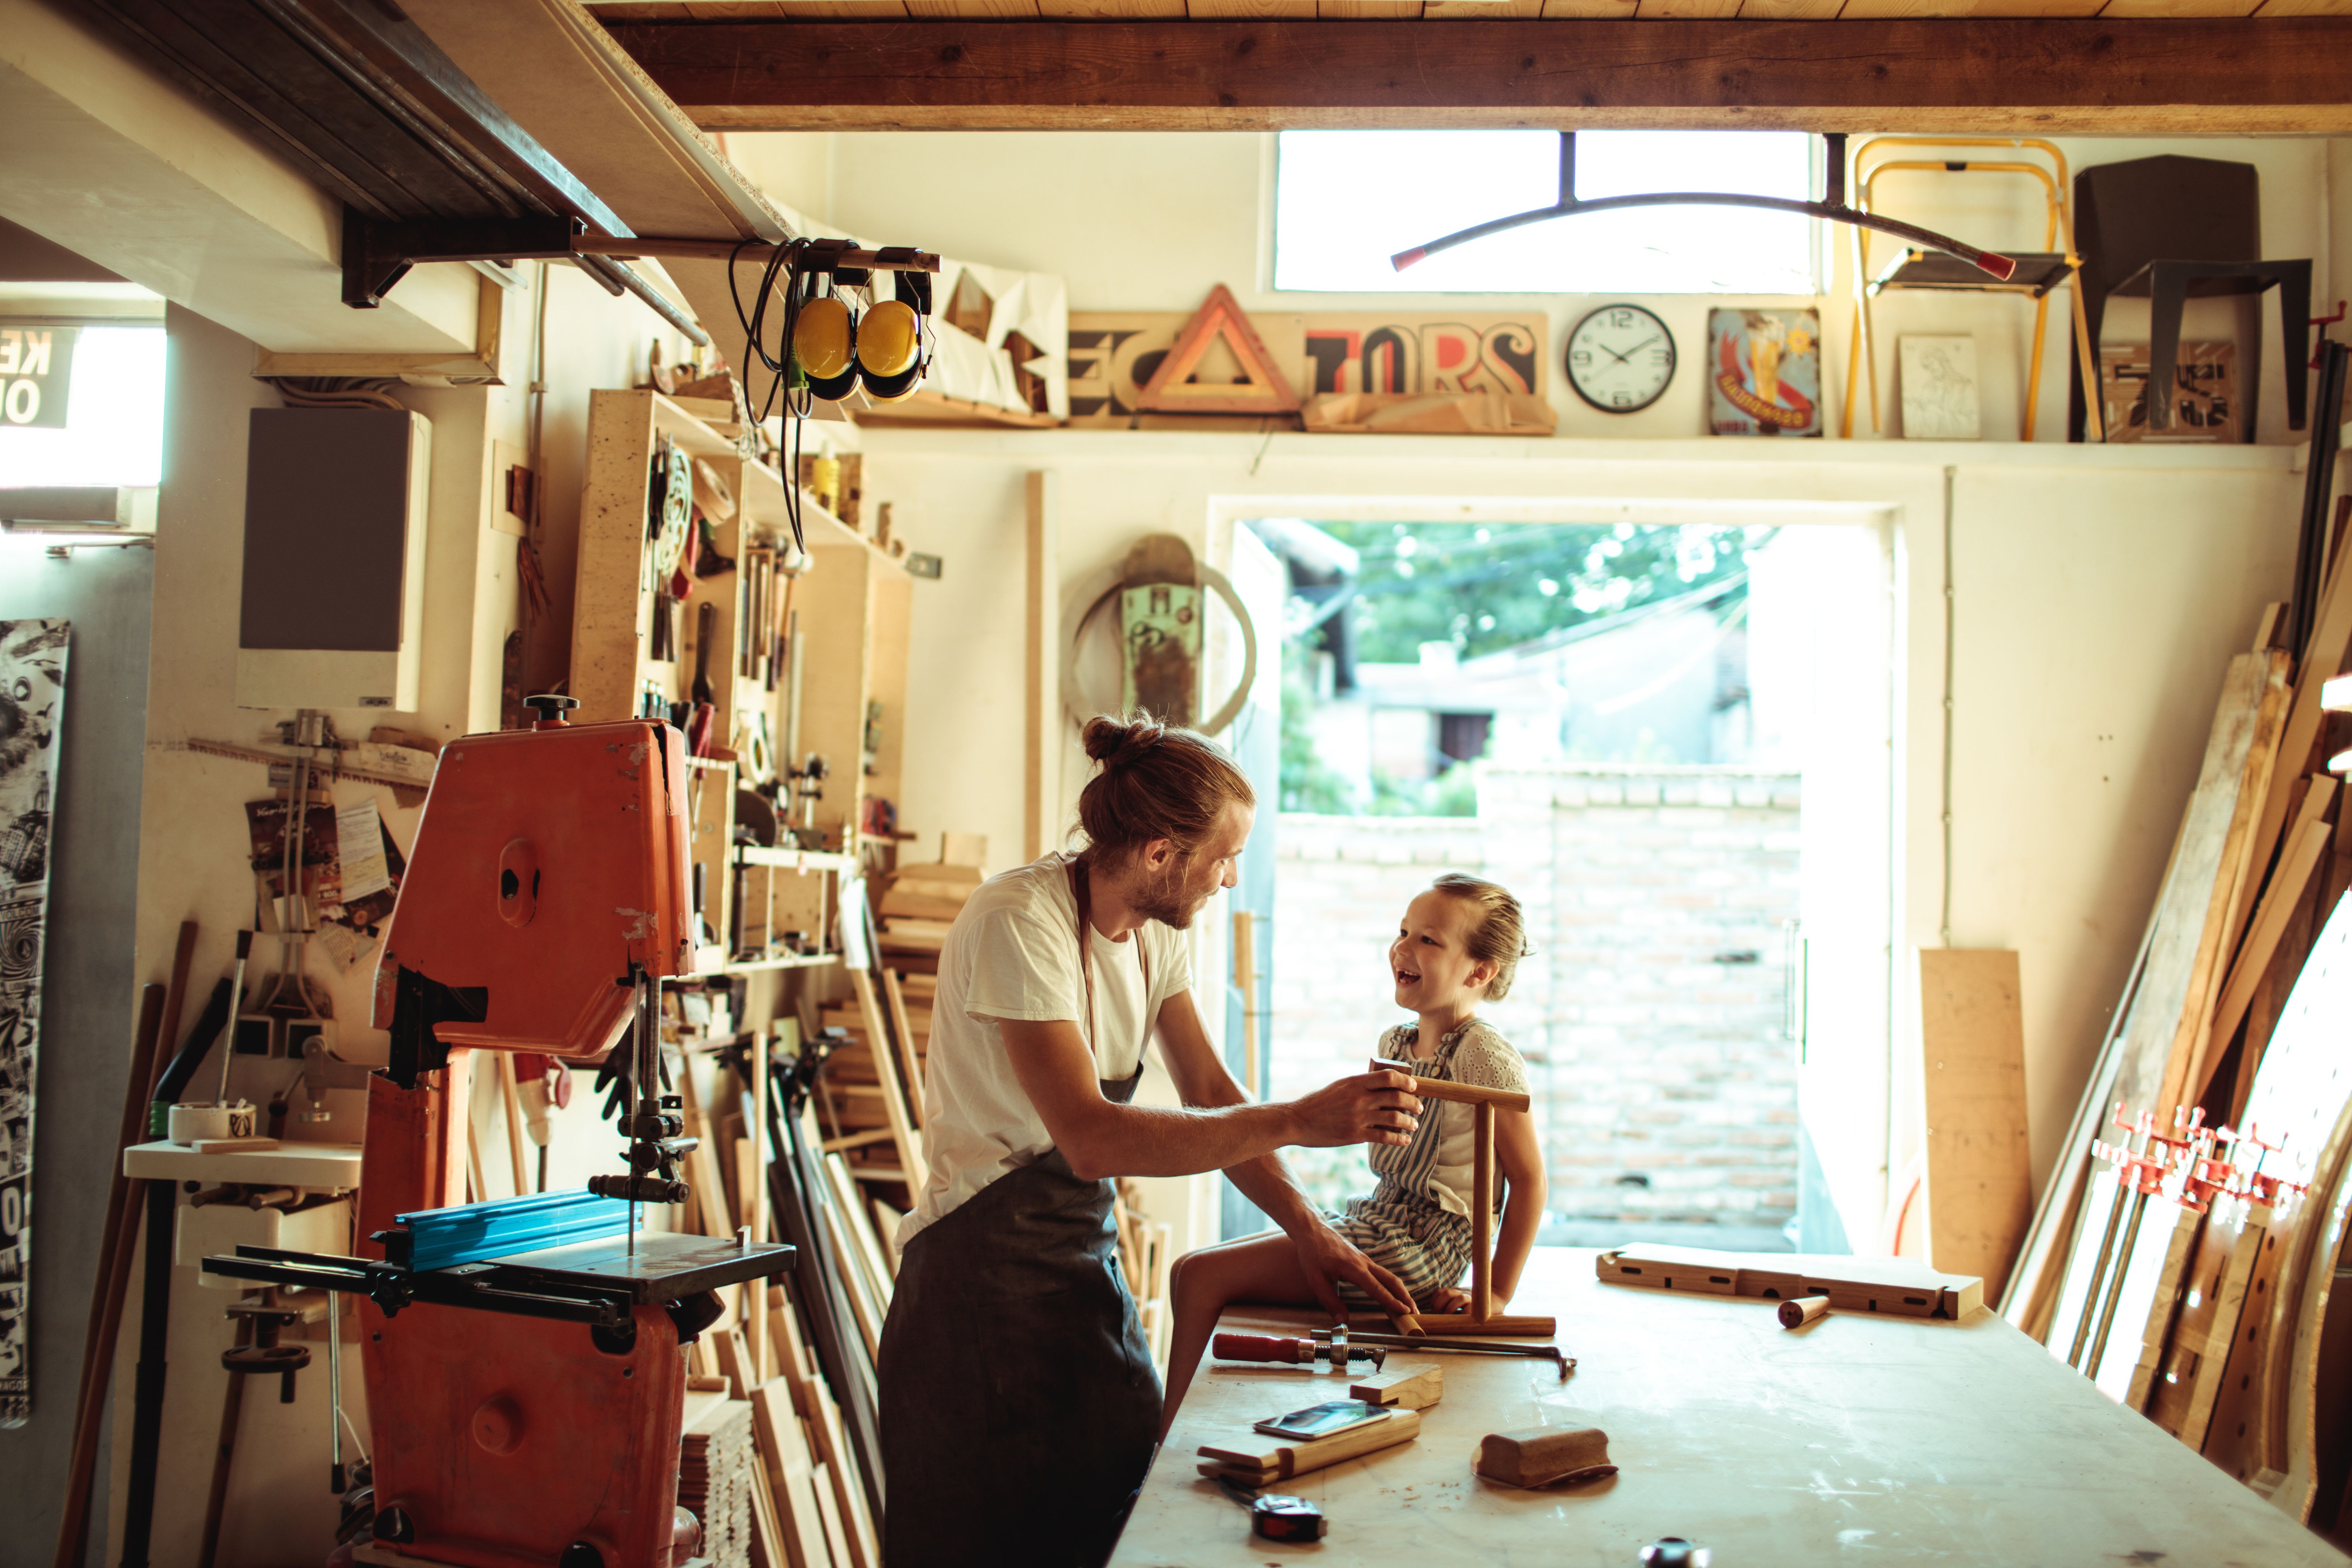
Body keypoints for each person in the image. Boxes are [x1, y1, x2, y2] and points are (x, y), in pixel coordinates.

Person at [877, 714, 1426, 1568]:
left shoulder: (1148, 938)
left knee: (1121, 1515)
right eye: (1224, 857)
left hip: (1076, 1271)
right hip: (974, 1295)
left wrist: (1309, 1230)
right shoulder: (1020, 920)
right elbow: (1091, 1138)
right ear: (1161, 854)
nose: (1232, 879)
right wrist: (1299, 1119)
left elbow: (1211, 1093)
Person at [1159, 873, 1548, 1425]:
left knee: (1200, 1277)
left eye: (1429, 941)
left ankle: (1164, 1454)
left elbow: (1530, 1181)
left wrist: (1499, 1293)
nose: (1403, 948)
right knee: (1188, 1272)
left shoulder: (1485, 1056)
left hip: (1423, 1245)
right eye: (1404, 931)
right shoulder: (1396, 1044)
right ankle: (1171, 1440)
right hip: (1380, 1216)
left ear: (1480, 972)